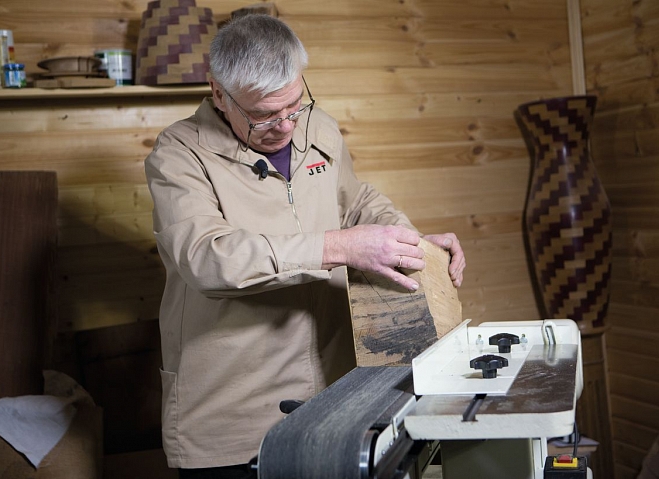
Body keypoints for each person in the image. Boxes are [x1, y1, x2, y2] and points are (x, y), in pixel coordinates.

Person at [144, 13, 466, 479]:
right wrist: (340, 247)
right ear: (219, 92)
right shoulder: (179, 154)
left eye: (294, 105)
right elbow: (206, 258)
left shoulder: (319, 128)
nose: (285, 125)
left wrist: (409, 243)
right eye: (263, 115)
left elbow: (356, 202)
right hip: (232, 419)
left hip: (337, 398)